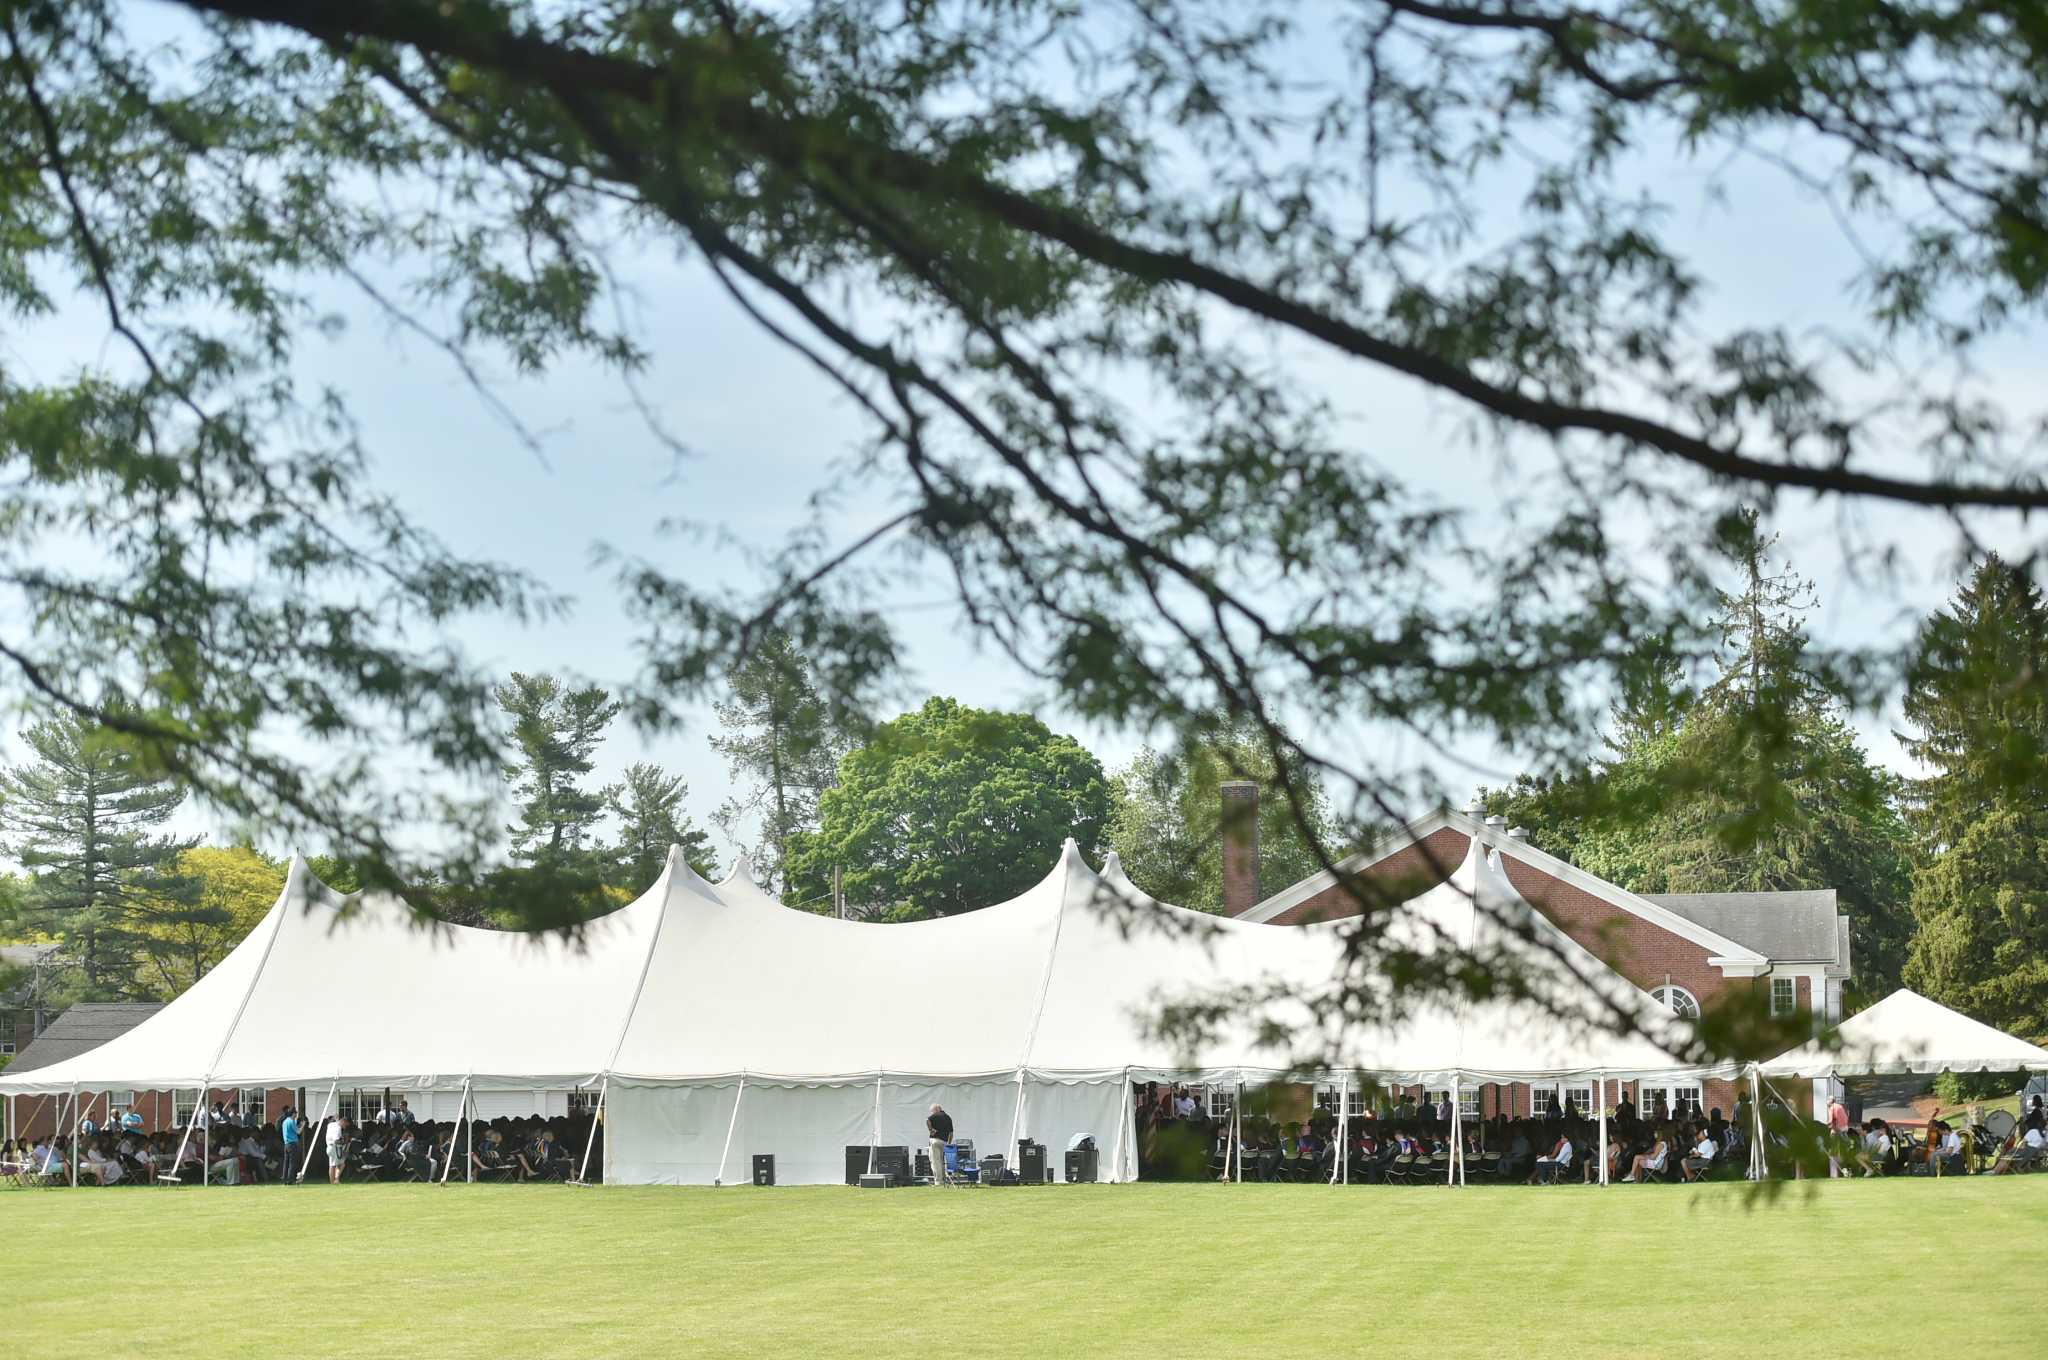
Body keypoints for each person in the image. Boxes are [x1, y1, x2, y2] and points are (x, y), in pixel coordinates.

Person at [926, 1103, 954, 1186]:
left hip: (935, 1141)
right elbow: (951, 1133)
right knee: (942, 1161)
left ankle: (938, 1181)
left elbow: (927, 1120)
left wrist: (931, 1129)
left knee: (935, 1162)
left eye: (932, 1111)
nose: (932, 1113)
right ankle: (944, 1179)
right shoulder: (948, 1117)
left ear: (936, 1109)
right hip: (944, 1142)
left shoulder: (935, 1115)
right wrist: (948, 1143)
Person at [325, 1114, 350, 1185]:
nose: (344, 1127)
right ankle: (335, 1180)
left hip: (329, 1147)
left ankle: (333, 1181)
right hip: (334, 1147)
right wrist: (344, 1142)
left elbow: (334, 1121)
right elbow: (336, 1140)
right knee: (340, 1164)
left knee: (332, 1165)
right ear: (343, 1121)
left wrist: (336, 1118)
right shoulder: (338, 1128)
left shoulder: (331, 1125)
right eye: (345, 1125)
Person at [280, 1106, 301, 1184]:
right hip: (292, 1144)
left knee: (286, 1162)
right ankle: (290, 1179)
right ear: (293, 1113)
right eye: (296, 1113)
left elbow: (293, 1130)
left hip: (286, 1144)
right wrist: (302, 1125)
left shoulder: (285, 1121)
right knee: (292, 1163)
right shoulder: (292, 1121)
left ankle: (284, 1178)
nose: (296, 1115)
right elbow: (298, 1132)